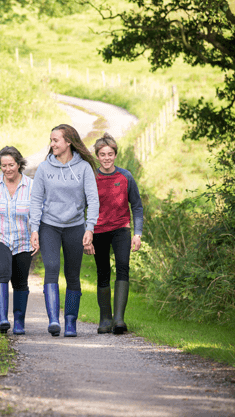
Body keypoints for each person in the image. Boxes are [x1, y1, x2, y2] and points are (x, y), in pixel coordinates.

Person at [30, 124, 99, 337]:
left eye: (55, 140)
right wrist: (34, 229)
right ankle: (53, 320)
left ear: (68, 141)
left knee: (72, 274)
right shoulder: (44, 168)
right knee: (51, 267)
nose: (51, 144)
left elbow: (93, 200)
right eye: (51, 140)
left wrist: (90, 228)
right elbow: (35, 200)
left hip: (75, 226)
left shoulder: (84, 168)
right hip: (49, 225)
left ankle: (70, 322)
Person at [85, 133, 143, 334]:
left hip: (121, 228)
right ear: (97, 156)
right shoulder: (92, 178)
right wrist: (87, 234)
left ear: (115, 155)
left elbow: (136, 205)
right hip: (99, 230)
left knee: (123, 267)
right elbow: (82, 206)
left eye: (110, 154)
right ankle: (105, 319)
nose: (107, 158)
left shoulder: (125, 176)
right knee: (103, 272)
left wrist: (138, 233)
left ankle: (119, 319)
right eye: (102, 154)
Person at [0, 146, 37, 335]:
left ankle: (19, 322)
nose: (7, 169)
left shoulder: (31, 186)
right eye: (3, 166)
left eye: (11, 165)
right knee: (2, 272)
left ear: (19, 164)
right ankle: (2, 319)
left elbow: (38, 215)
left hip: (23, 239)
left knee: (20, 281)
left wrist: (37, 237)